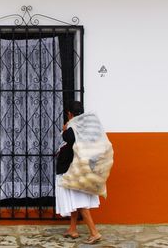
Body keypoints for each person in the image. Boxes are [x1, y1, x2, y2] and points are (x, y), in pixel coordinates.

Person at [55, 101, 102, 244]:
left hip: (72, 170)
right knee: (75, 201)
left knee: (80, 203)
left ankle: (94, 232)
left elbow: (70, 139)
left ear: (69, 113)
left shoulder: (72, 128)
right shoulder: (85, 127)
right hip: (81, 168)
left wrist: (65, 129)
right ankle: (72, 229)